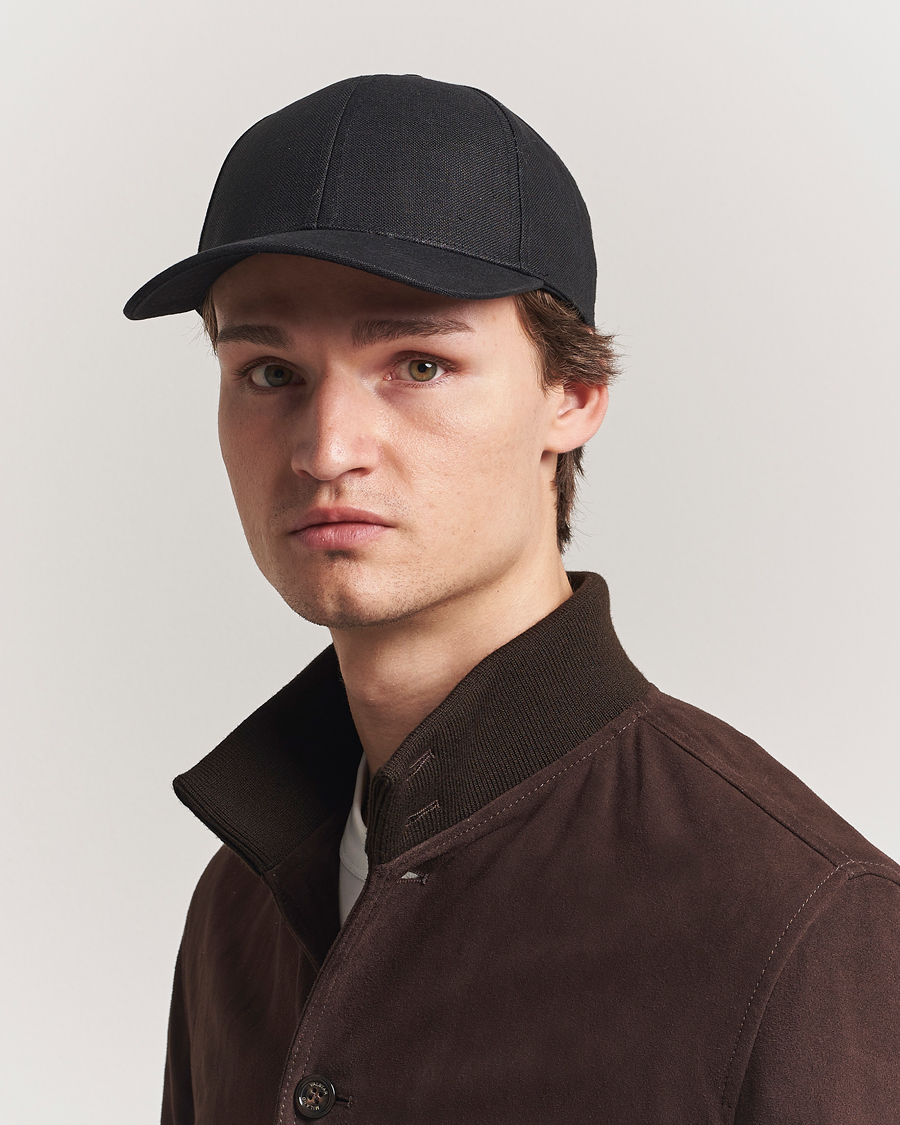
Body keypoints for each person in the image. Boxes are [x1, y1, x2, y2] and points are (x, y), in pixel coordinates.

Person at [125, 74, 900, 1125]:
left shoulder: (797, 919)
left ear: (572, 396)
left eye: (418, 364)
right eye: (269, 373)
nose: (327, 449)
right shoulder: (239, 906)